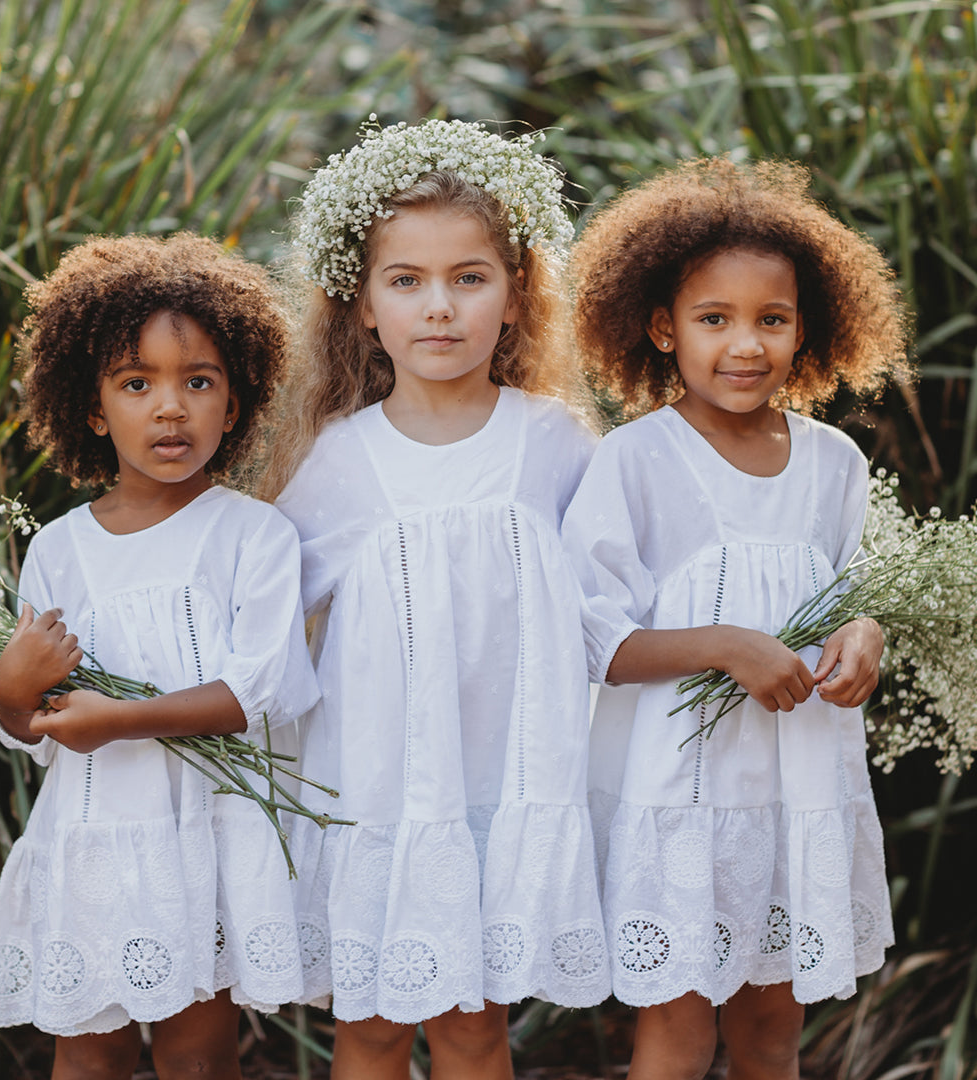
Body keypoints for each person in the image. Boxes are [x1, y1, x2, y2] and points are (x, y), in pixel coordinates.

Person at [261, 118, 610, 1080]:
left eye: (470, 277)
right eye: (405, 281)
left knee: (473, 1023)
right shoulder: (341, 460)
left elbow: (626, 589)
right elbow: (256, 602)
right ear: (364, 308)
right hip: (380, 785)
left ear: (516, 296)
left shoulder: (556, 443)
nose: (439, 307)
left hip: (498, 783)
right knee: (371, 1026)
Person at [563, 157, 908, 1080]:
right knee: (678, 1033)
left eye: (772, 320)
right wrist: (724, 644)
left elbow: (860, 588)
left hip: (796, 791)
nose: (744, 344)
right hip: (679, 800)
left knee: (770, 1032)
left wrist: (865, 631)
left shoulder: (833, 463)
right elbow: (597, 639)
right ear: (661, 329)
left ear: (808, 330)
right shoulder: (637, 461)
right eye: (713, 319)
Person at [0, 233, 319, 1080]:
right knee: (86, 1055)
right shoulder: (61, 549)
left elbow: (258, 689)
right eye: (138, 384)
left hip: (195, 833)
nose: (171, 408)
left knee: (197, 1056)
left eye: (198, 382)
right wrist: (11, 693)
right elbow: (35, 721)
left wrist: (121, 719)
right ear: (93, 409)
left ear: (234, 405)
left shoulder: (252, 535)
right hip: (94, 833)